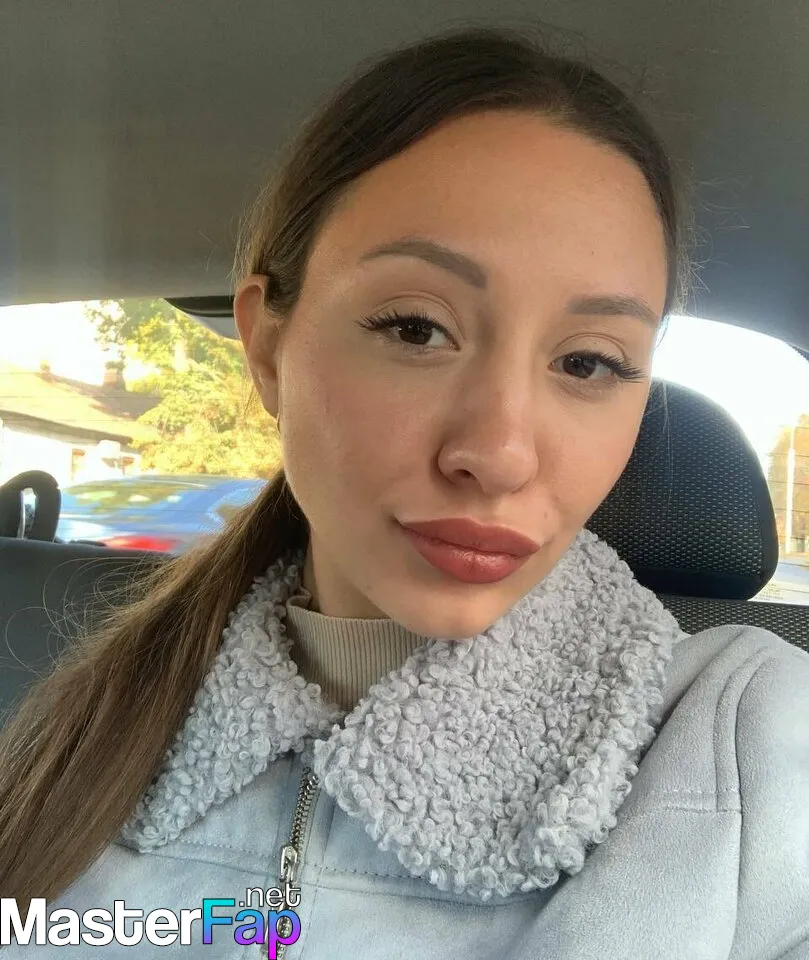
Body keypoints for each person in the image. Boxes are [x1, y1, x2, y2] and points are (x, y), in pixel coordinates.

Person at [0, 26, 807, 960]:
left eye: (588, 361)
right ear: (268, 347)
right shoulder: (79, 732)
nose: (499, 454)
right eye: (417, 329)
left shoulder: (751, 746)